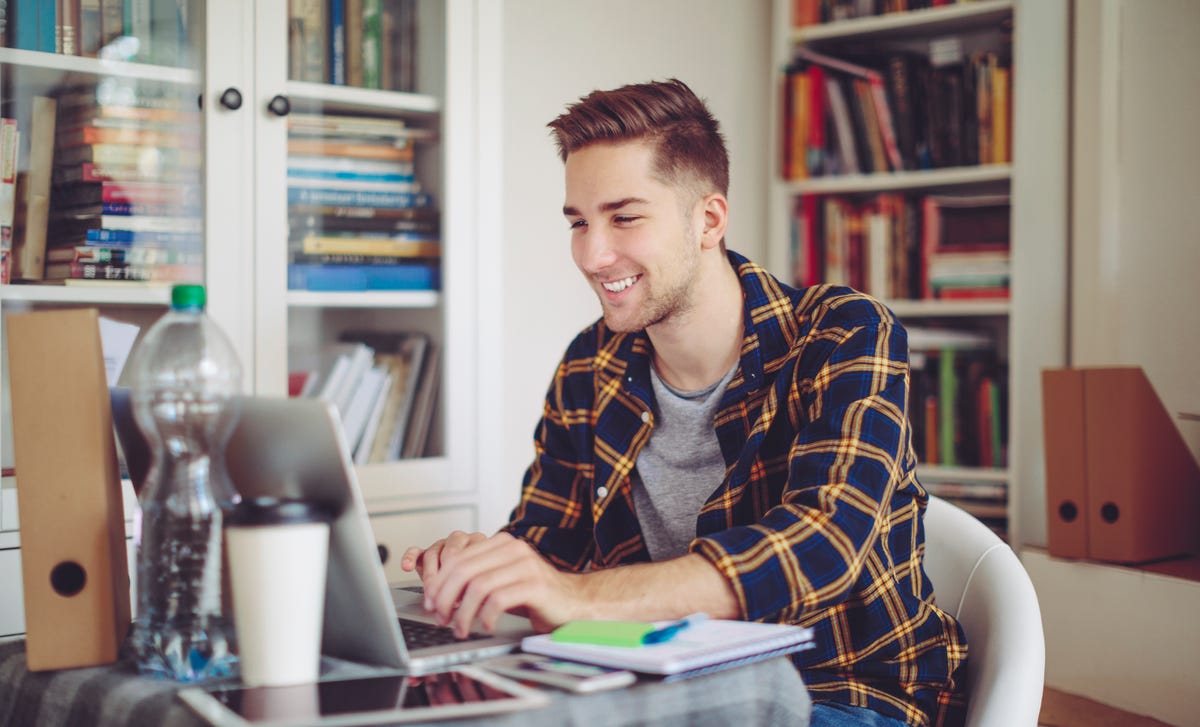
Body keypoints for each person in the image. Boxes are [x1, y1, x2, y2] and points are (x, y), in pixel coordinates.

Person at [402, 78, 968, 727]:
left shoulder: (842, 332)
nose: (592, 253)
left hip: (838, 695)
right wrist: (485, 568)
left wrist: (574, 596)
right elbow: (545, 547)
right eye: (579, 222)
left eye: (624, 216)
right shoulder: (591, 363)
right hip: (657, 682)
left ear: (709, 219)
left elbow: (823, 543)